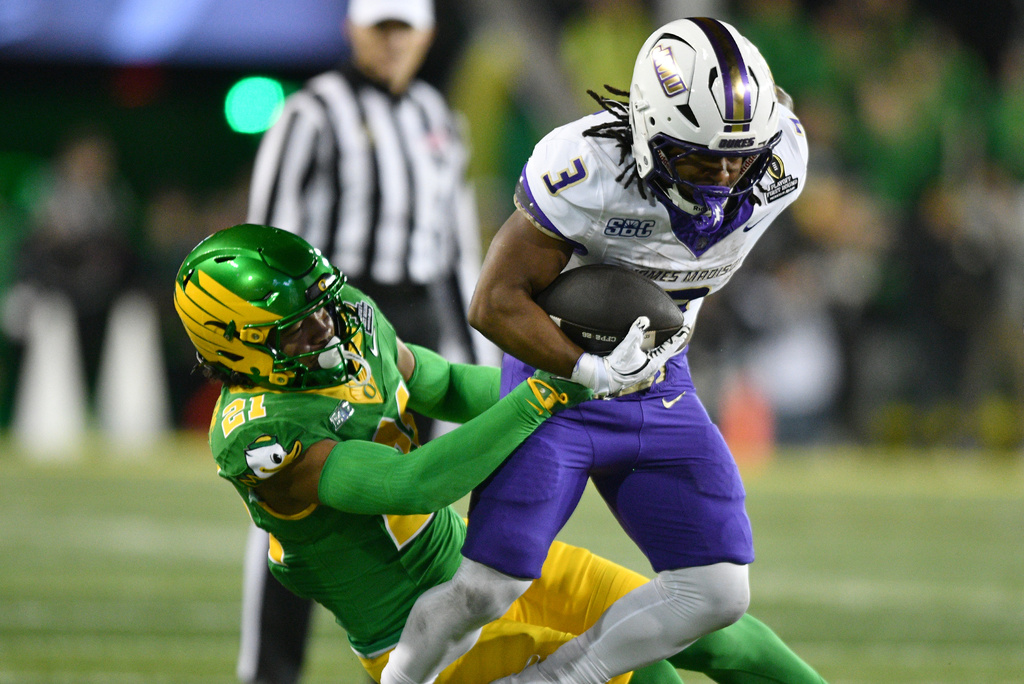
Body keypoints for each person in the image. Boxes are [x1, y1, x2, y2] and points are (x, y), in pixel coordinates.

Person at [173, 223, 826, 684]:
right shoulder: (259, 435)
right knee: (642, 668)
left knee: (717, 631)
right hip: (417, 635)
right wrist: (546, 391)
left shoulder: (350, 319)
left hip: (473, 563)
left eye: (323, 306)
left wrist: (590, 387)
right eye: (297, 328)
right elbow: (410, 484)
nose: (327, 327)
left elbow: (444, 384)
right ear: (238, 347)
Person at [382, 17, 815, 684]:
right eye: (700, 158)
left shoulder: (779, 158)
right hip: (559, 385)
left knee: (719, 592)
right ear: (646, 132)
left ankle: (555, 681)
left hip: (661, 380)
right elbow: (493, 300)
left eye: (741, 156)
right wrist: (587, 369)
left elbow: (764, 119)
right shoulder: (586, 170)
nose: (726, 177)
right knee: (485, 590)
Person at [242, 0, 492, 679]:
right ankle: (269, 671)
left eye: (402, 27)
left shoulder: (441, 117)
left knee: (428, 514)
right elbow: (267, 237)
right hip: (328, 329)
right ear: (352, 29)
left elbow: (457, 249)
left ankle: (435, 665)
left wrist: (473, 347)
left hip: (417, 328)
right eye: (378, 26)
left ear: (427, 33)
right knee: (294, 515)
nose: (390, 41)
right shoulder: (311, 112)